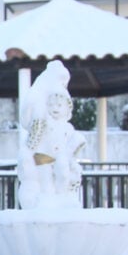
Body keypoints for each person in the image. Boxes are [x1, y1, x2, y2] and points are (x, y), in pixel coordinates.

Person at [17, 61, 85, 211]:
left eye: (59, 106)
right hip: (43, 159)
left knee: (62, 172)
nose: (55, 109)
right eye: (52, 105)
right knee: (46, 181)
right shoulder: (44, 121)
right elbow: (31, 130)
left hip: (60, 160)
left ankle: (62, 196)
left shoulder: (67, 127)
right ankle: (47, 199)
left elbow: (73, 144)